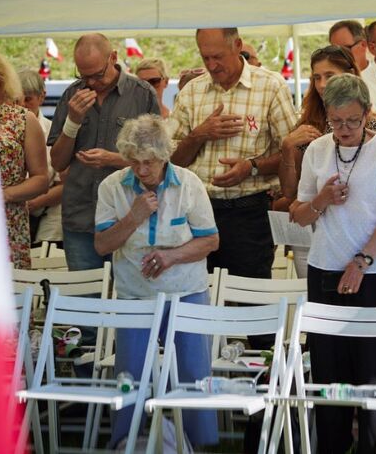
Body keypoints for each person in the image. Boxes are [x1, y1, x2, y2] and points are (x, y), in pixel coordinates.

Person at [289, 74, 376, 454]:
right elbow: (300, 216)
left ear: (367, 114)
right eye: (336, 121)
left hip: (375, 271)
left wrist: (361, 262)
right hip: (325, 268)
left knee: (372, 374)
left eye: (352, 121)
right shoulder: (317, 151)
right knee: (329, 373)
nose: (343, 130)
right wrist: (322, 199)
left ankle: (374, 447)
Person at [94, 115, 219, 449]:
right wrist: (133, 217)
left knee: (193, 375)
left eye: (148, 162)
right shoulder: (112, 187)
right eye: (134, 162)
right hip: (135, 295)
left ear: (164, 156)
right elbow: (102, 245)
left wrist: (171, 256)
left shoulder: (189, 184)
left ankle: (197, 445)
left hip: (186, 292)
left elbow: (210, 241)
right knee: (130, 376)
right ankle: (126, 443)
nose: (141, 170)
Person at [170, 28, 296, 284]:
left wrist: (251, 167)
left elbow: (292, 152)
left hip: (249, 214)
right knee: (197, 295)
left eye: (218, 56)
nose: (212, 65)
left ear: (237, 45)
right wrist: (199, 135)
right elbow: (172, 161)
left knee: (251, 300)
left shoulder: (270, 87)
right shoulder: (191, 92)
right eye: (205, 58)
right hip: (196, 213)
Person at [48, 34, 159, 271]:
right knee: (85, 298)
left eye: (98, 74)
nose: (91, 83)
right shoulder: (72, 95)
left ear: (114, 58)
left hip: (128, 215)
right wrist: (73, 122)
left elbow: (157, 160)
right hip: (81, 217)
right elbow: (57, 162)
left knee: (130, 297)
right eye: (83, 76)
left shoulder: (142, 94)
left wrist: (114, 159)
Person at [277, 46, 376, 277]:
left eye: (329, 76)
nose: (322, 84)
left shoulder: (371, 127)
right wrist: (287, 149)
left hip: (359, 237)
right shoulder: (308, 121)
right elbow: (291, 194)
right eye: (317, 77)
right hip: (310, 236)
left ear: (350, 75)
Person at [0, 44, 48, 269]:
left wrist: (5, 195)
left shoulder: (23, 119)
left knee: (11, 293)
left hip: (8, 221)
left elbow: (41, 178)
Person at [18, 69, 64, 246]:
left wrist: (33, 203)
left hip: (49, 218)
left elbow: (64, 185)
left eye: (28, 99)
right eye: (16, 99)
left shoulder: (55, 134)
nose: (22, 105)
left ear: (41, 97)